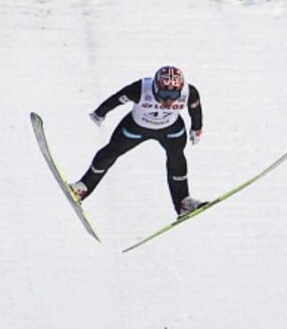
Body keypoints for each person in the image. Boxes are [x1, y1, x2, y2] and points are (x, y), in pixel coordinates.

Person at [72, 65, 205, 217]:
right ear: (155, 87)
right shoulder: (141, 89)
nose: (168, 100)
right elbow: (117, 98)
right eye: (163, 93)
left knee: (177, 158)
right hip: (136, 127)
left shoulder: (189, 92)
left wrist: (197, 128)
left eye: (173, 95)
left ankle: (183, 203)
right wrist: (100, 113)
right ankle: (83, 188)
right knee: (110, 152)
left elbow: (195, 110)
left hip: (170, 130)